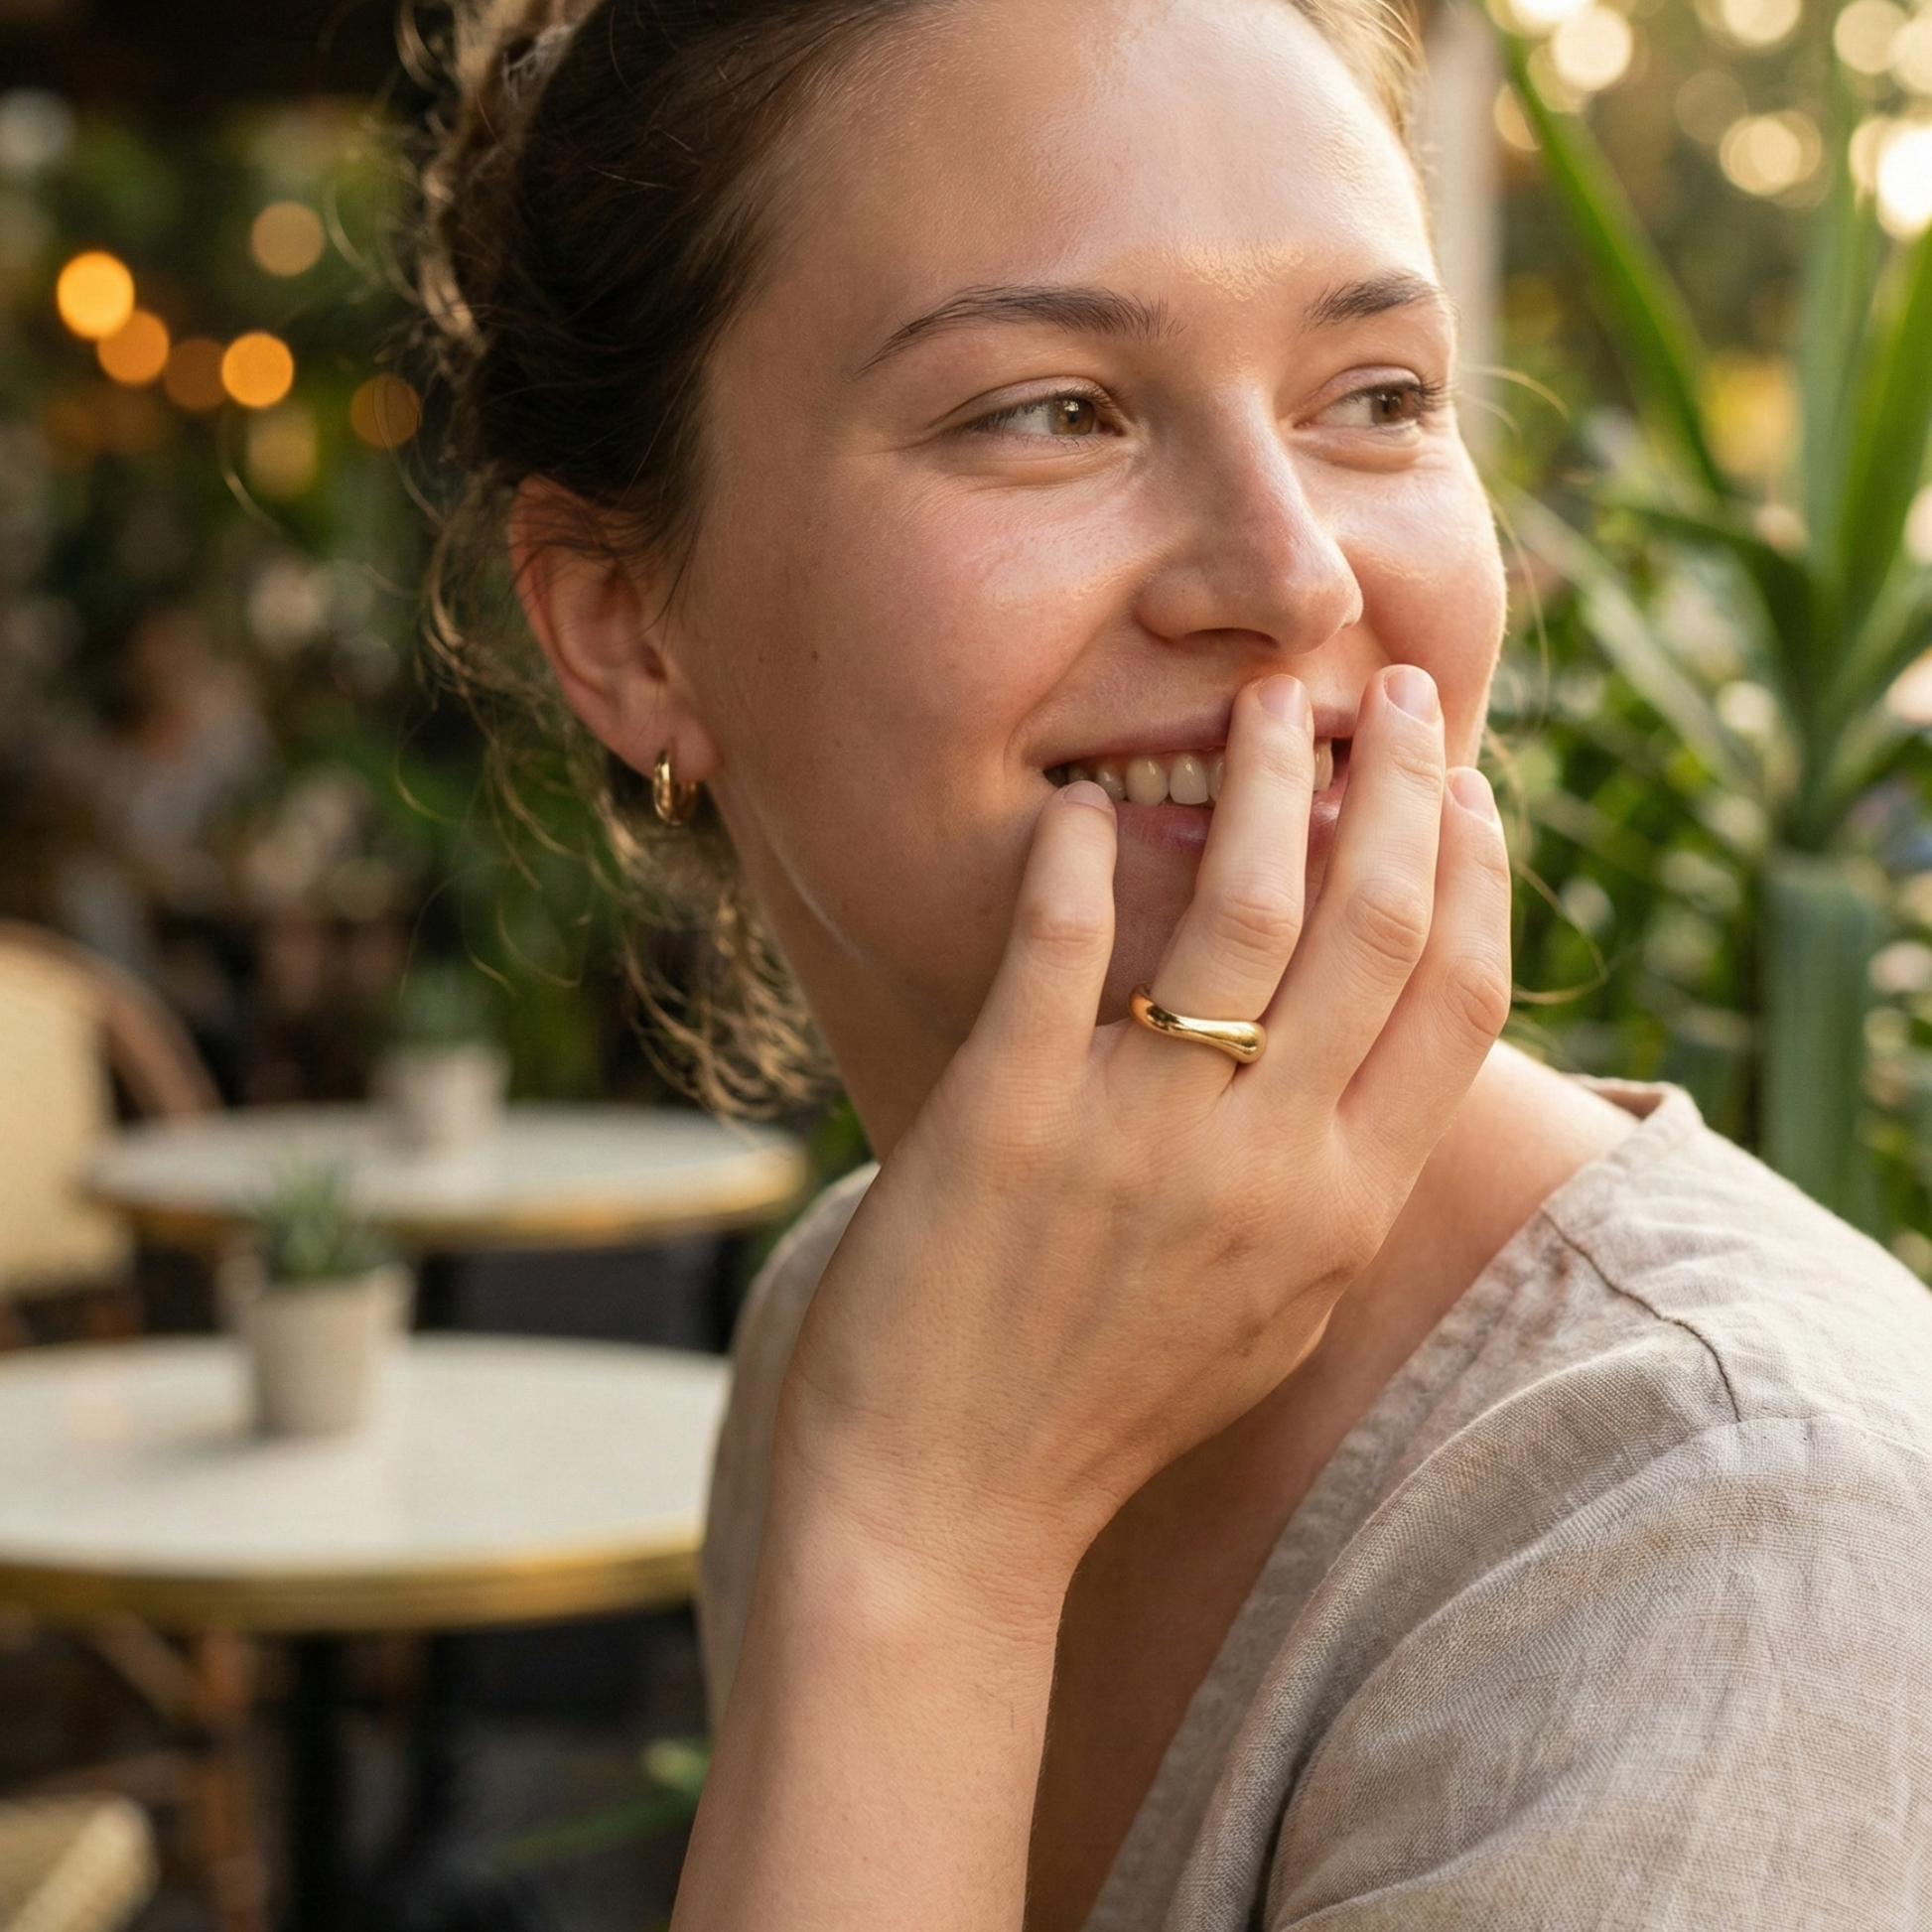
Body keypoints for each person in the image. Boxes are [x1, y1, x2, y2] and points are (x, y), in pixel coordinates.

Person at [422, 0, 1932, 1924]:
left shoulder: (1718, 1524)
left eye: (1375, 395)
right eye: (1051, 407)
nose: (1294, 572)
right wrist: (927, 1523)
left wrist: (925, 1539)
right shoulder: (867, 1329)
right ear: (628, 626)